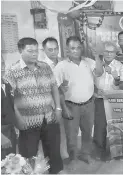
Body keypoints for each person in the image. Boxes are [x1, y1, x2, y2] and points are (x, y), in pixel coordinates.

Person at [4, 37, 64, 174]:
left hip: (49, 117)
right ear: (20, 51)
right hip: (27, 121)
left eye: (36, 51)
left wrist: (58, 108)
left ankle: (55, 172)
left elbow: (54, 87)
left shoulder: (44, 67)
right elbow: (9, 98)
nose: (34, 54)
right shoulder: (12, 71)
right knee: (29, 155)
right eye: (30, 51)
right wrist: (17, 118)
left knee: (54, 152)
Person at [53, 36, 103, 170]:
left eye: (78, 48)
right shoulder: (61, 66)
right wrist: (63, 107)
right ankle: (73, 157)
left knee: (87, 132)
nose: (76, 51)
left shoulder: (89, 62)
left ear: (82, 49)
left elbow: (99, 72)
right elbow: (57, 89)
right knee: (71, 134)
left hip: (89, 104)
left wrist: (97, 55)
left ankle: (85, 154)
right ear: (67, 50)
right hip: (71, 105)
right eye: (72, 48)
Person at [40, 37, 69, 160]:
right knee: (51, 132)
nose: (53, 52)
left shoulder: (64, 62)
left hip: (67, 100)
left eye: (55, 48)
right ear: (44, 50)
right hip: (50, 104)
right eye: (50, 49)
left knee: (65, 129)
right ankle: (48, 157)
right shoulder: (40, 66)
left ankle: (63, 154)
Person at [93, 41, 122, 161]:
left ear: (116, 53)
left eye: (111, 52)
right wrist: (95, 91)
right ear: (102, 53)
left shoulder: (120, 66)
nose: (109, 54)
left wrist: (116, 77)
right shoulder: (95, 64)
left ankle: (113, 152)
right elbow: (89, 80)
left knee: (114, 127)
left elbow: (120, 85)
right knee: (100, 127)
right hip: (99, 100)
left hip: (114, 101)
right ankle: (99, 152)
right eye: (106, 51)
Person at [1, 56, 17, 160]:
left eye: (2, 63)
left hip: (10, 130)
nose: (1, 67)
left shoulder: (6, 84)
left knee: (11, 162)